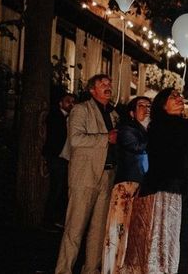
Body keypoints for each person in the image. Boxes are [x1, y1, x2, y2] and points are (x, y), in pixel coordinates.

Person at [123, 88, 188, 274]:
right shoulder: (162, 126)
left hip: (173, 190)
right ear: (163, 105)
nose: (179, 99)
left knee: (165, 242)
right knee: (156, 240)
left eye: (179, 95)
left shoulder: (178, 125)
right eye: (173, 97)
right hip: (161, 192)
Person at [55, 75, 118, 274]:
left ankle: (91, 269)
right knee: (75, 228)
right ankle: (63, 270)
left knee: (98, 232)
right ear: (92, 90)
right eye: (103, 84)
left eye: (109, 84)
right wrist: (106, 138)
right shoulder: (81, 109)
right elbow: (75, 139)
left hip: (107, 176)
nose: (108, 87)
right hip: (84, 176)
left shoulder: (114, 114)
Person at [102, 96, 151, 274]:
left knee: (136, 234)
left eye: (149, 106)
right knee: (119, 232)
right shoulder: (127, 130)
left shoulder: (148, 130)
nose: (146, 109)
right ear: (132, 112)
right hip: (126, 186)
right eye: (141, 105)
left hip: (143, 188)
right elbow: (137, 147)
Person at [42, 91, 76, 229]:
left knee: (62, 189)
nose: (71, 104)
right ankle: (48, 219)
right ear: (60, 103)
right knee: (56, 188)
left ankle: (56, 218)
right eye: (68, 101)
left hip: (66, 158)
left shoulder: (70, 118)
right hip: (57, 157)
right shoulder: (55, 116)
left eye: (73, 102)